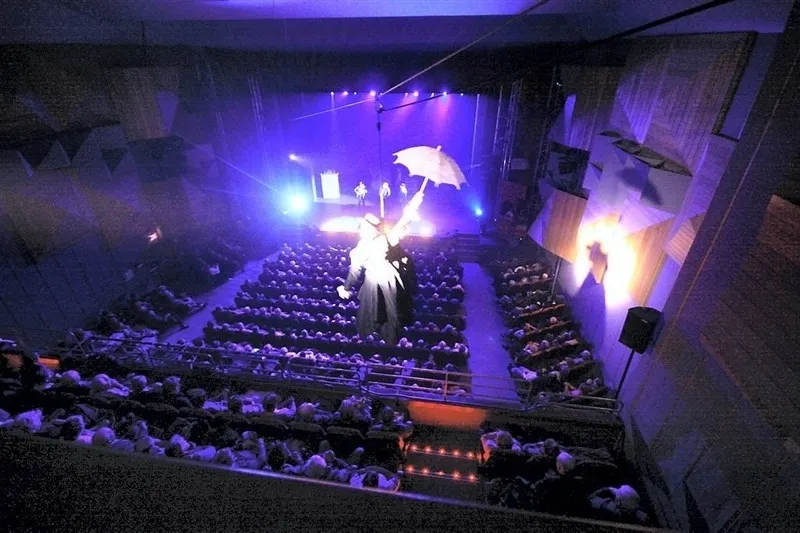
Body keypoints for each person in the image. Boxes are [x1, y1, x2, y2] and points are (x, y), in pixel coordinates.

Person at [337, 191, 423, 345]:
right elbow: (402, 222)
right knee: (389, 312)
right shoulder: (385, 238)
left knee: (373, 313)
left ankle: (375, 341)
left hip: (375, 281)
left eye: (362, 226)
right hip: (389, 279)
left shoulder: (363, 246)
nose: (360, 229)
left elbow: (355, 271)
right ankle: (388, 340)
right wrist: (413, 205)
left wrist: (346, 288)